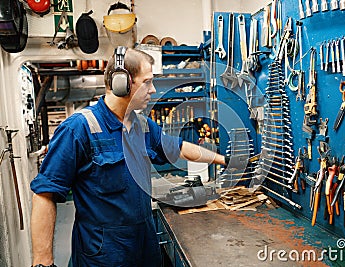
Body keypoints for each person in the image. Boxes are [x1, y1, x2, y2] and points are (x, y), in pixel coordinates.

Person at [30, 47, 227, 267]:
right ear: (121, 83)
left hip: (143, 246)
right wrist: (43, 262)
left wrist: (224, 160)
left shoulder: (141, 125)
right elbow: (45, 194)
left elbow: (178, 147)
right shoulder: (79, 128)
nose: (153, 90)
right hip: (104, 255)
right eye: (147, 82)